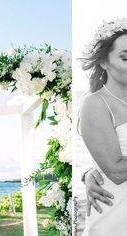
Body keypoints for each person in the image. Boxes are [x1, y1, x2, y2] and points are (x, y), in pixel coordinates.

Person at [79, 17, 127, 236]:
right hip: (117, 213)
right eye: (125, 58)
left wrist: (89, 172)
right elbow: (116, 171)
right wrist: (93, 172)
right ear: (104, 62)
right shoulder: (95, 104)